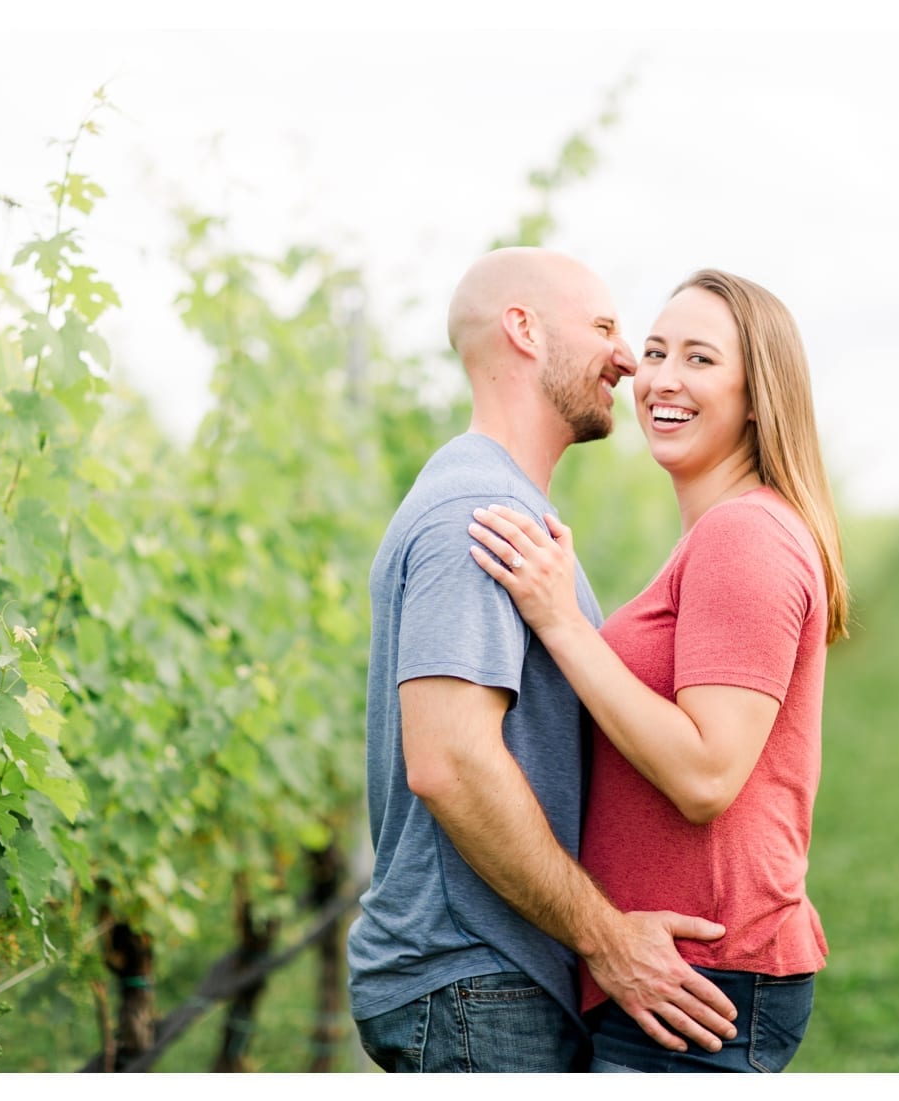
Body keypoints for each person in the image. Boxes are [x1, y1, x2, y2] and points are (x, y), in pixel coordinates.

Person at [347, 247, 740, 1074]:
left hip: (487, 980)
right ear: (523, 330)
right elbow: (450, 761)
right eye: (604, 327)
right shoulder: (477, 515)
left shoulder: (505, 506)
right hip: (475, 985)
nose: (630, 360)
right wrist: (608, 939)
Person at [468, 268, 848, 1072]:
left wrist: (564, 625)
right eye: (655, 350)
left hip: (699, 972)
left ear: (757, 395)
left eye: (700, 359)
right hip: (683, 972)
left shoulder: (744, 535)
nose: (661, 379)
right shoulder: (722, 533)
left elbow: (708, 773)